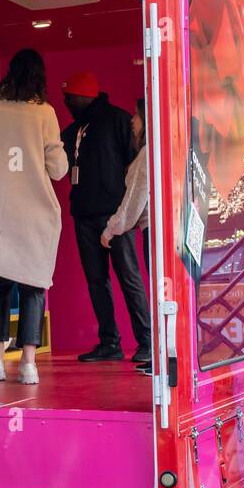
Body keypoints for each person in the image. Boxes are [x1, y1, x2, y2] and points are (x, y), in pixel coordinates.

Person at [0, 48, 69, 385]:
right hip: (33, 213)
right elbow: (59, 170)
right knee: (33, 287)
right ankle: (29, 364)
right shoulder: (45, 113)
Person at [62, 72, 152, 364]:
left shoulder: (118, 120)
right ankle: (109, 342)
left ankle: (147, 341)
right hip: (83, 214)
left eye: (68, 97)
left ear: (80, 96)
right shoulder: (73, 129)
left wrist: (123, 215)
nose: (64, 101)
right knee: (95, 280)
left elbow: (135, 166)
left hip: (116, 216)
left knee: (129, 277)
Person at [100, 100, 151, 373]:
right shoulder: (163, 152)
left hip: (152, 231)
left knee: (157, 294)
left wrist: (110, 229)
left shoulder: (146, 155)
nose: (132, 120)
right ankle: (160, 357)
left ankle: (157, 356)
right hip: (166, 231)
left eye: (137, 115)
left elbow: (132, 205)